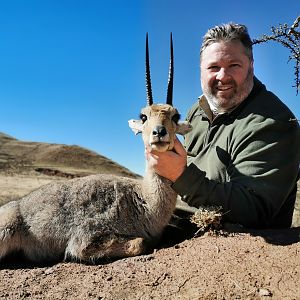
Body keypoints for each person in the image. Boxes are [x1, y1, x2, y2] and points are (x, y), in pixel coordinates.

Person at [147, 23, 300, 229]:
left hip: (230, 239)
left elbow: (254, 209)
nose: (222, 76)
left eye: (234, 65)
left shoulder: (273, 123)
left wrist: (180, 176)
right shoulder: (197, 111)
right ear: (201, 71)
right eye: (213, 67)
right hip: (181, 218)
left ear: (251, 65)